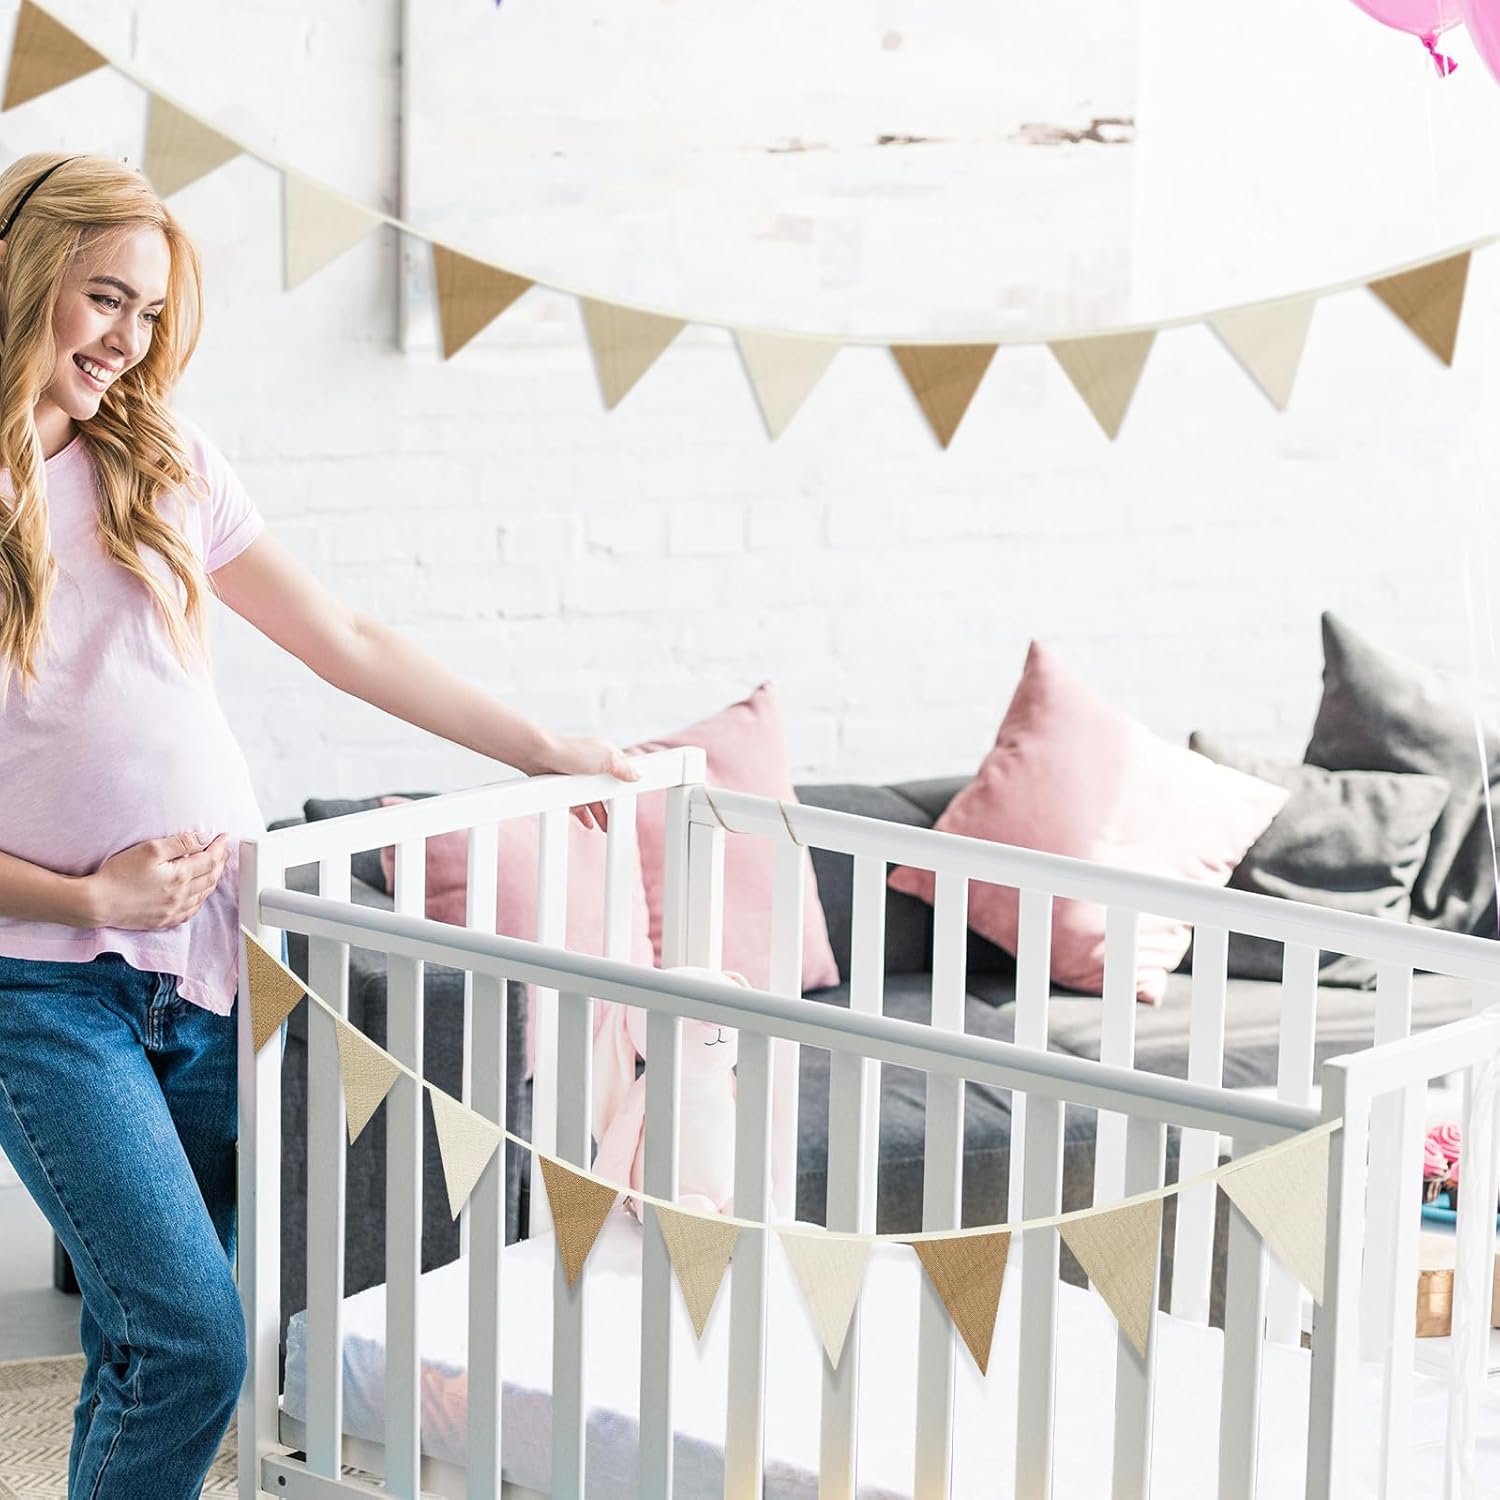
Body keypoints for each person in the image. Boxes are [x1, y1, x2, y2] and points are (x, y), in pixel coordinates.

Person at [0, 151, 641, 1498]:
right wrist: (91, 900)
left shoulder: (163, 463)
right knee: (192, 1341)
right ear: (22, 273)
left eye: (150, 314)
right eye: (104, 298)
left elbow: (343, 635)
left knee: (142, 1334)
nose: (127, 340)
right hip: (44, 988)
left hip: (218, 965)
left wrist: (537, 745)